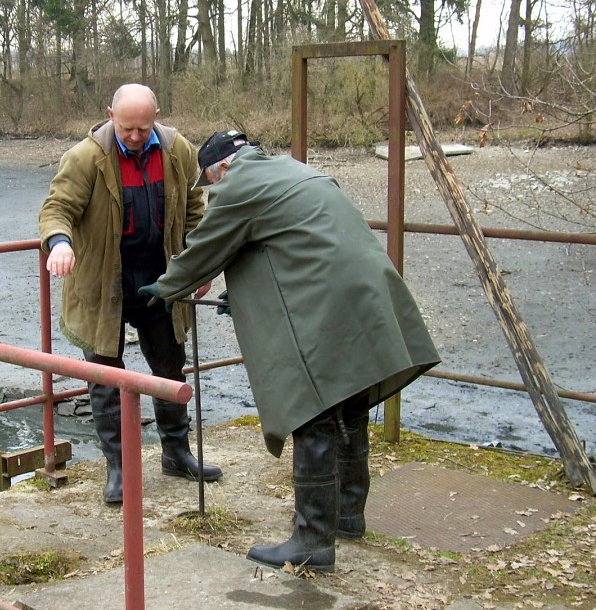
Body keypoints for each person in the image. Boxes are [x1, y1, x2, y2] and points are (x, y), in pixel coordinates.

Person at [139, 130, 441, 571]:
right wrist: (243, 293)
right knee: (349, 401)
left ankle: (313, 540)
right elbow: (284, 242)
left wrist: (167, 286)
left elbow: (209, 246)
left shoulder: (238, 185)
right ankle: (347, 516)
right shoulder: (292, 169)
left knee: (312, 409)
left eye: (211, 181)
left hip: (326, 300)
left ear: (222, 167)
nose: (215, 190)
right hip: (366, 289)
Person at [38, 83, 223, 505]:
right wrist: (61, 243)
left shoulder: (177, 151)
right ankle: (119, 468)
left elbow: (196, 210)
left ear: (156, 115)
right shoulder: (86, 157)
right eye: (127, 128)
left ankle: (176, 454)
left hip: (162, 280)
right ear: (110, 115)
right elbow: (56, 209)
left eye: (144, 127)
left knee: (170, 370)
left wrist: (199, 265)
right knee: (106, 379)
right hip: (104, 283)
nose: (136, 136)